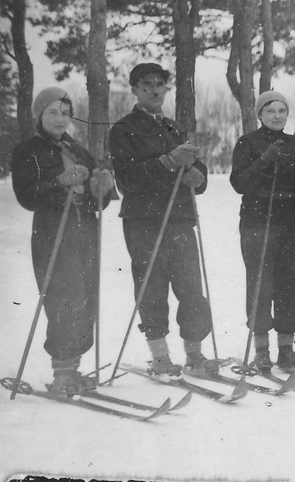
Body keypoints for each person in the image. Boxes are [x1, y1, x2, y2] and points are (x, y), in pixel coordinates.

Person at [109, 63, 216, 376]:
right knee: (152, 288)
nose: (155, 90)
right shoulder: (123, 129)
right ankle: (160, 357)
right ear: (134, 89)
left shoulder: (174, 128)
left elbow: (194, 165)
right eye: (147, 84)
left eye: (160, 84)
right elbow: (126, 179)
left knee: (191, 287)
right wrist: (168, 161)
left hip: (180, 218)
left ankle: (194, 354)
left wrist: (198, 174)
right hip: (144, 220)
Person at [11, 87, 117, 394]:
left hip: (85, 230)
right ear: (39, 115)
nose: (60, 119)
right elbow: (26, 197)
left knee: (86, 296)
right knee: (63, 297)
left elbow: (100, 201)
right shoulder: (28, 150)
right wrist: (59, 182)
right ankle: (62, 373)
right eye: (53, 113)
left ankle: (74, 368)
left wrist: (101, 188)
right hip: (52, 230)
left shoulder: (78, 150)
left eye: (65, 113)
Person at [230, 91, 295, 372]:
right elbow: (239, 182)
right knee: (260, 281)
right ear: (260, 114)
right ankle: (261, 349)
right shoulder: (247, 142)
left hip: (290, 217)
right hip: (258, 217)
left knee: (290, 280)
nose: (277, 116)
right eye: (270, 111)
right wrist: (264, 159)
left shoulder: (294, 143)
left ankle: (286, 349)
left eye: (282, 111)